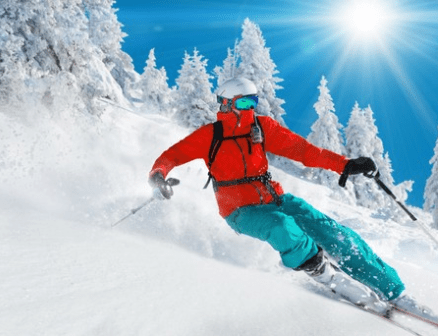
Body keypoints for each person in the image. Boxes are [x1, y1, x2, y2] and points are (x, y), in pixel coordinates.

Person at [148, 77, 437, 318]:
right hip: (239, 210)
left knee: (335, 233)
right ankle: (325, 275)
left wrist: (345, 164)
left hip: (275, 198)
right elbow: (171, 155)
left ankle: (394, 292)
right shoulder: (209, 135)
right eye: (244, 102)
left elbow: (304, 151)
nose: (251, 108)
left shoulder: (261, 128)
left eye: (253, 102)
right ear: (226, 103)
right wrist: (158, 174)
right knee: (282, 227)